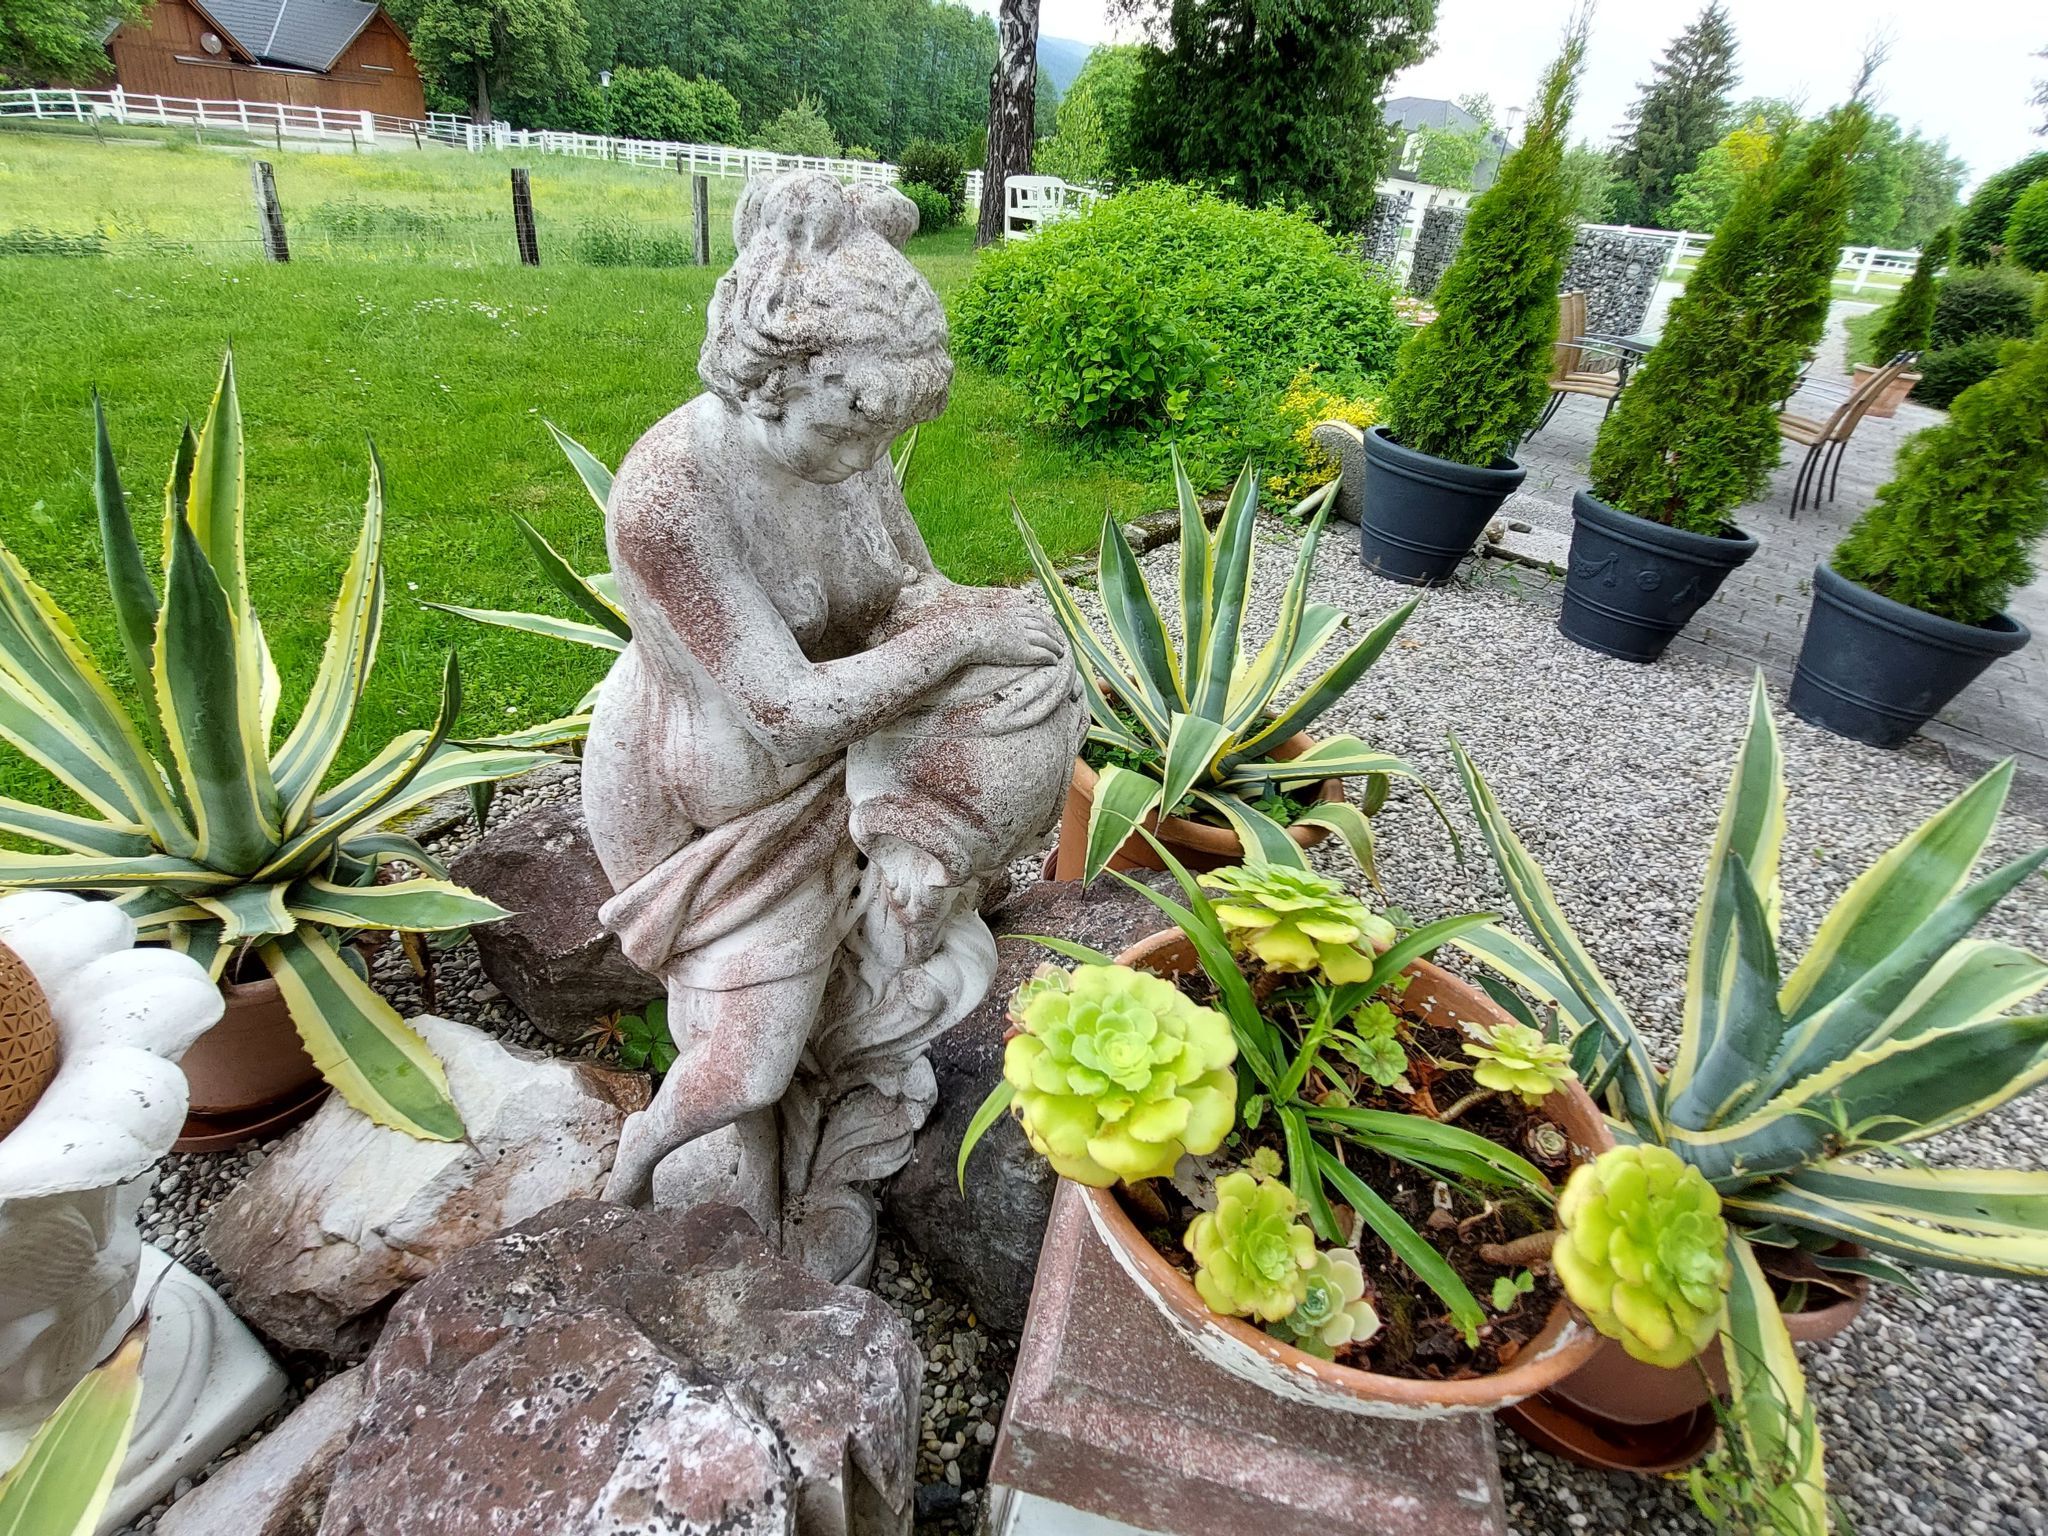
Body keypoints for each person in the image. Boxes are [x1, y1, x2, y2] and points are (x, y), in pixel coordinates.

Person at [581, 172, 1084, 1278]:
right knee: (748, 1068)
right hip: (718, 817)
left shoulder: (846, 446)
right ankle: (639, 1164)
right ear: (774, 378)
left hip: (850, 754)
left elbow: (913, 588)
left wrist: (1002, 635)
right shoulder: (670, 496)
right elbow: (783, 709)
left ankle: (810, 1161)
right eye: (851, 425)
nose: (868, 459)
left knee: (892, 971)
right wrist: (962, 640)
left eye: (884, 431)